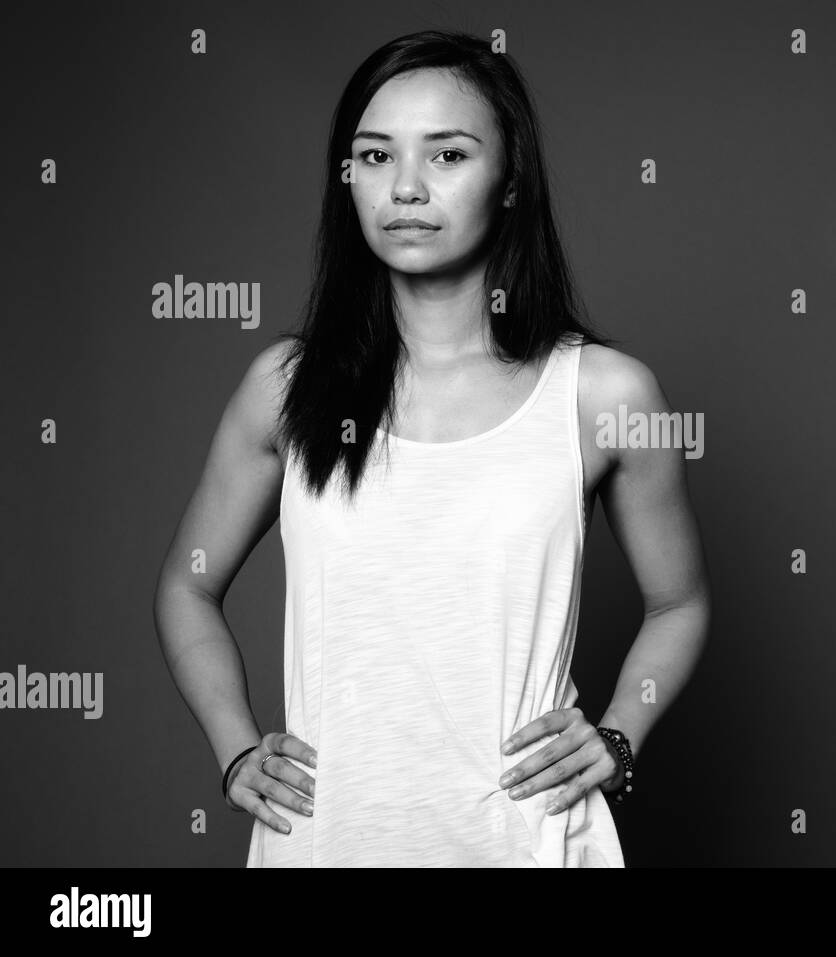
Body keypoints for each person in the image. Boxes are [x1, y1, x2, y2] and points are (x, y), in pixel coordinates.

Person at [152, 29, 711, 866]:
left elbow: (680, 603)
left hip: (529, 844)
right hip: (326, 846)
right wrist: (237, 749)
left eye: (447, 155)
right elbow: (186, 587)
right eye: (374, 157)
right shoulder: (288, 387)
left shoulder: (602, 395)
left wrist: (619, 736)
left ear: (511, 180)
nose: (405, 187)